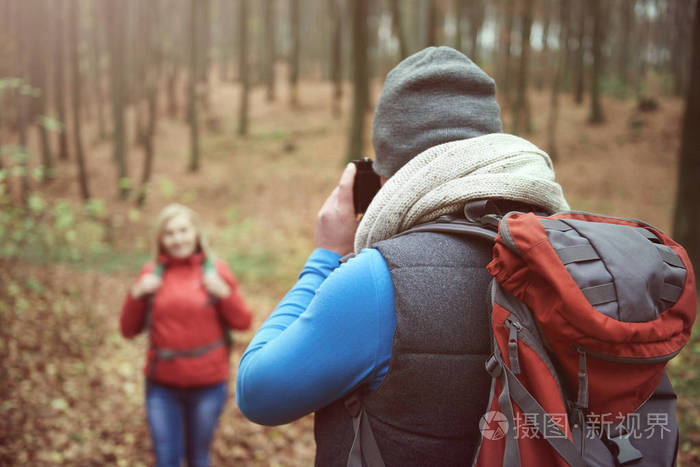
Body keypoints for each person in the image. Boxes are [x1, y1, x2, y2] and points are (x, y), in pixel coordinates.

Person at [236, 46, 569, 466]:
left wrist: (324, 256)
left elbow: (258, 392)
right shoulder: (564, 250)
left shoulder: (377, 281)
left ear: (387, 173)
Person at [120, 203, 252, 467]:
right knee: (166, 459)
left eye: (183, 231)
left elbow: (243, 322)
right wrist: (136, 294)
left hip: (208, 385)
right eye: (169, 233)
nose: (177, 238)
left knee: (197, 457)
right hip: (161, 385)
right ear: (161, 240)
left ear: (196, 233)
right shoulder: (151, 273)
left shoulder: (216, 270)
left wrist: (225, 294)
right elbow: (128, 330)